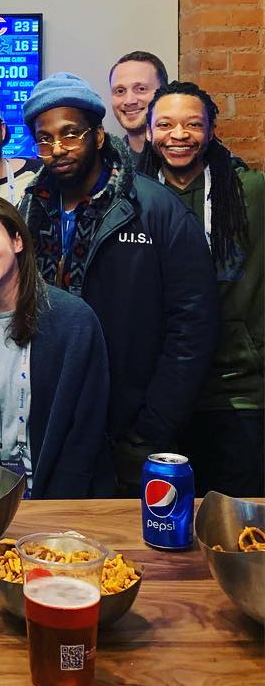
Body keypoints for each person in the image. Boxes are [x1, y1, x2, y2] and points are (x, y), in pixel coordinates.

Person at [20, 72, 218, 495]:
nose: (58, 149)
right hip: (57, 422)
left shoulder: (152, 208)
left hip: (132, 429)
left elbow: (193, 326)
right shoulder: (30, 210)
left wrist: (151, 429)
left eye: (70, 134)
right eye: (45, 139)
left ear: (96, 135)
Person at [0, 197, 113, 498]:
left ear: (17, 240)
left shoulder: (74, 321)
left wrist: (57, 511)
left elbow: (87, 429)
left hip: (67, 502)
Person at [142, 81, 263, 496]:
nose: (179, 136)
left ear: (211, 130)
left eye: (193, 124)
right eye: (166, 125)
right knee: (164, 522)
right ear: (149, 131)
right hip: (159, 393)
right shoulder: (133, 198)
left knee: (238, 525)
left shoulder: (249, 192)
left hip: (235, 391)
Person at [108, 51, 168, 164]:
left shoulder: (191, 160)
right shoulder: (107, 164)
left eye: (141, 89)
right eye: (120, 91)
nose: (129, 101)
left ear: (164, 93)